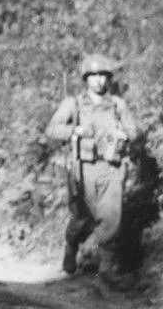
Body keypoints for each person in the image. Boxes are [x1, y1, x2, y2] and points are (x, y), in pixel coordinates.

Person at [45, 53, 141, 286]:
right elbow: (52, 129)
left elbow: (136, 132)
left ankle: (106, 268)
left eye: (103, 75)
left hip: (111, 165)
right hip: (83, 168)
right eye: (94, 75)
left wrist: (125, 134)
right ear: (86, 78)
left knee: (111, 217)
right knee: (82, 217)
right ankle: (72, 244)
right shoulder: (73, 104)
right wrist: (73, 131)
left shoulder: (117, 104)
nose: (99, 80)